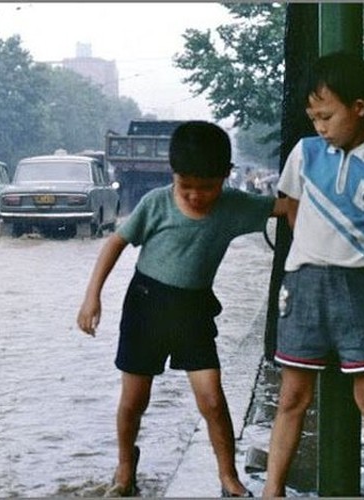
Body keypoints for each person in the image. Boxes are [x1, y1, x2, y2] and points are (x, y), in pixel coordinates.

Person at [76, 121, 287, 497]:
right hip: (146, 306)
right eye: (185, 185)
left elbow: (287, 207)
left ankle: (228, 476)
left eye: (207, 187)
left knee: (212, 400)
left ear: (226, 176)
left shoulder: (234, 206)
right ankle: (124, 465)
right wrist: (93, 296)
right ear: (173, 174)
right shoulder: (155, 203)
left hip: (194, 311)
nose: (195, 195)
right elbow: (115, 243)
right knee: (134, 400)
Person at [264, 51, 364, 498]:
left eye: (327, 116)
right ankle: (272, 489)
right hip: (304, 287)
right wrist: (316, 247)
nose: (319, 126)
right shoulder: (305, 153)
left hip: (359, 291)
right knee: (292, 397)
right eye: (313, 117)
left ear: (358, 107)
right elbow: (292, 210)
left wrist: (359, 259)